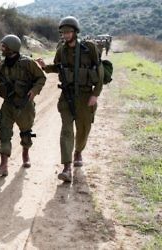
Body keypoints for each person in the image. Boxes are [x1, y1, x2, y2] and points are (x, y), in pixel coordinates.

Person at [36, 16, 104, 182]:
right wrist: (45, 67)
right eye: (63, 32)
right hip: (67, 96)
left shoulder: (89, 48)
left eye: (68, 31)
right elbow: (57, 67)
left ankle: (78, 152)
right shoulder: (62, 49)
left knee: (83, 129)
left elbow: (100, 72)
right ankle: (66, 167)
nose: (65, 35)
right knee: (66, 130)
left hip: (86, 95)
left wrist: (95, 94)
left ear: (75, 31)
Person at [0, 34, 46, 177]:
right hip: (8, 104)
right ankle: (3, 165)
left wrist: (34, 91)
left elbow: (41, 77)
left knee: (25, 131)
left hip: (24, 105)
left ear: (11, 48)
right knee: (4, 132)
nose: (1, 48)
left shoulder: (27, 63)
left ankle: (25, 154)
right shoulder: (2, 64)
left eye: (4, 46)